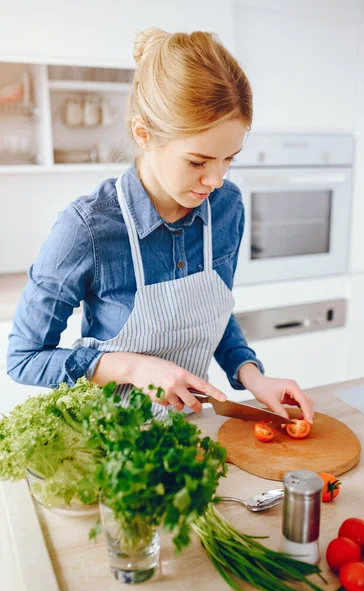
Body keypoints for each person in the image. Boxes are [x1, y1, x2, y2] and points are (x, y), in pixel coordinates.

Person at [7, 28, 314, 423]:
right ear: (144, 134)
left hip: (191, 434)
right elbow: (25, 359)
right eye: (198, 162)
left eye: (229, 159)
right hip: (109, 448)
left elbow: (211, 313)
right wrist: (134, 368)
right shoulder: (86, 230)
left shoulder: (226, 207)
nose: (216, 180)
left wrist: (252, 376)